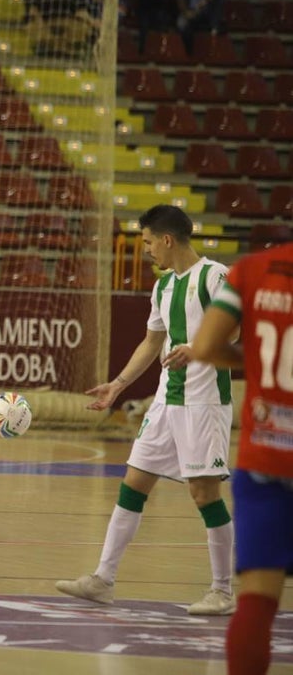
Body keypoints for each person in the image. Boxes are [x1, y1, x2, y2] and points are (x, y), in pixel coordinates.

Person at [55, 204, 236, 616]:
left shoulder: (214, 276)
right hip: (166, 401)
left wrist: (198, 348)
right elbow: (152, 342)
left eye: (149, 242)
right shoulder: (163, 287)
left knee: (204, 493)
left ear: (167, 239)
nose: (147, 250)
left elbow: (236, 330)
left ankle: (222, 591)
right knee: (134, 483)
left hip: (204, 402)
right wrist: (118, 384)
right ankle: (103, 580)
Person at [191, 240, 293, 675]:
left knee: (256, 604)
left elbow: (204, 346)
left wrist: (255, 362)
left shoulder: (252, 271)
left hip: (267, 456)